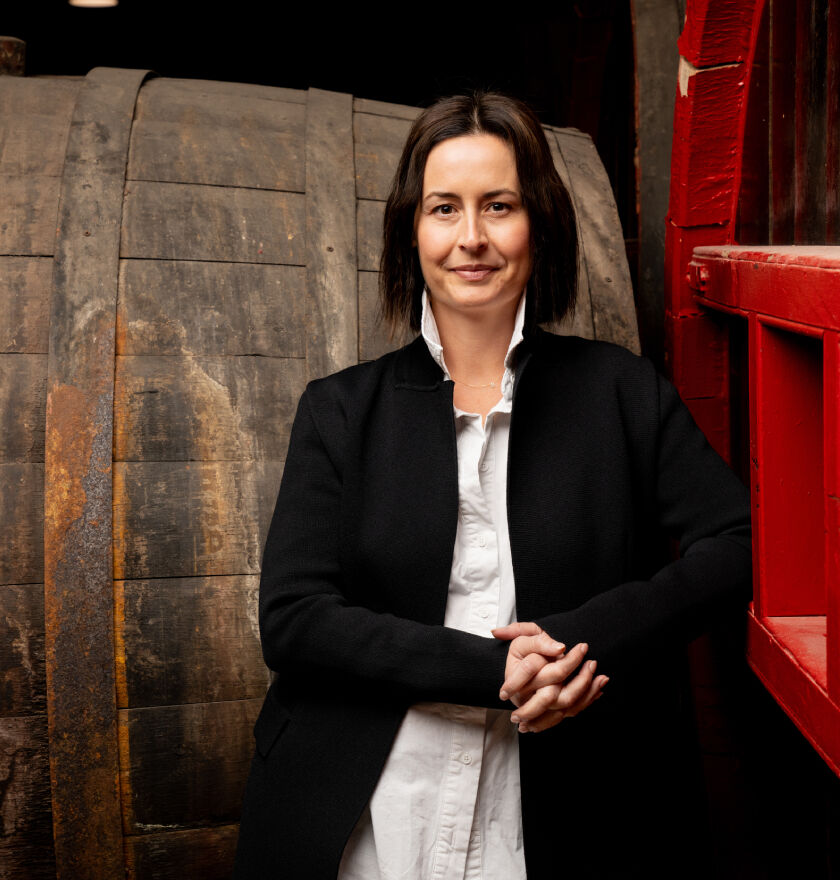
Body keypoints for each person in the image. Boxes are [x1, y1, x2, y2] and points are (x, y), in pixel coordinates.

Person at [234, 92, 752, 880]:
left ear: (538, 224)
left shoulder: (620, 391)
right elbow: (295, 619)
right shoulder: (340, 409)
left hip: (569, 801)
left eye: (498, 206)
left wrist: (585, 641)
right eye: (445, 208)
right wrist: (494, 674)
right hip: (370, 802)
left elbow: (737, 542)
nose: (471, 237)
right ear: (412, 232)